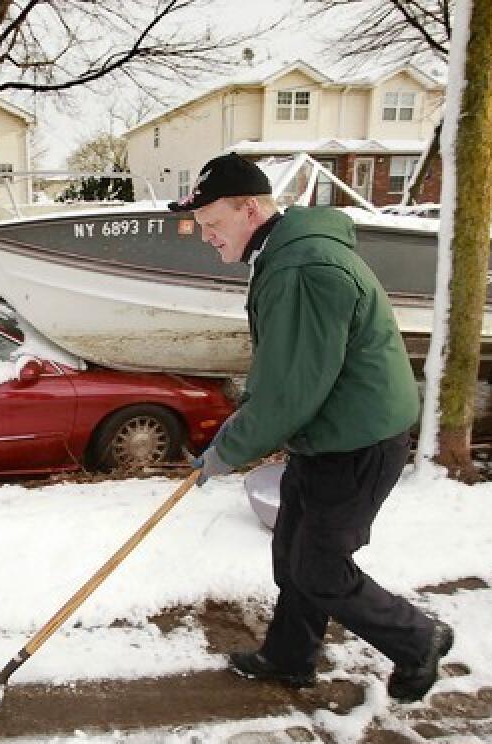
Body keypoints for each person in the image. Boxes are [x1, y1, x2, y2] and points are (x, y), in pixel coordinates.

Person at [171, 152, 452, 703]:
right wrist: (243, 430)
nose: (205, 237)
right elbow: (285, 368)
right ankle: (289, 656)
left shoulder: (303, 266)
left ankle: (420, 639)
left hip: (357, 441)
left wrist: (226, 449)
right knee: (294, 559)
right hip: (329, 434)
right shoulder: (286, 254)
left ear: (249, 209)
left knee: (321, 569)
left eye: (212, 224)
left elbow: (289, 390)